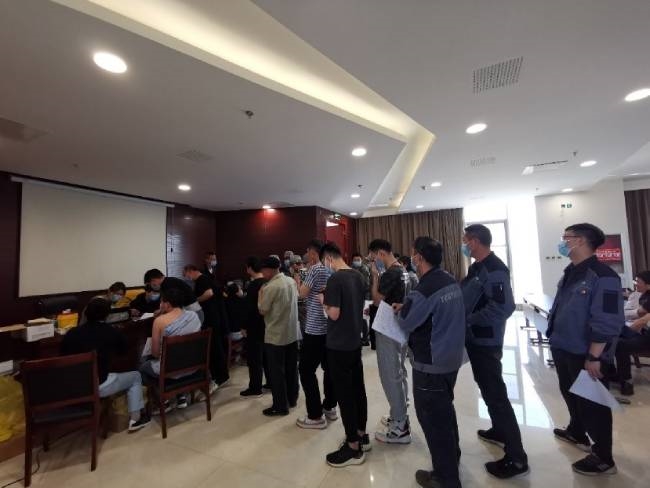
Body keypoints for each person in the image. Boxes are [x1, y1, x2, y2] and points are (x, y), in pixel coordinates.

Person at [546, 223, 623, 475]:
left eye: (565, 237)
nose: (562, 242)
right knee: (570, 393)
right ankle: (577, 431)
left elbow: (608, 320)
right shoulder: (571, 271)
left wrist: (594, 356)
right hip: (563, 346)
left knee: (593, 404)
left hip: (586, 353)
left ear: (579, 241)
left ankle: (603, 457)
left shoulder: (604, 276)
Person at [395, 237, 465, 488]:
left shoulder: (424, 289)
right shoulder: (448, 279)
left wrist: (401, 310)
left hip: (431, 364)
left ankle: (445, 478)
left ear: (420, 258)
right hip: (451, 358)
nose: (412, 258)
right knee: (444, 411)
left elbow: (407, 321)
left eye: (413, 254)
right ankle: (452, 457)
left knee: (433, 420)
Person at [460, 224, 528, 478]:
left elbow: (503, 307)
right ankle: (499, 430)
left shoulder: (495, 268)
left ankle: (517, 457)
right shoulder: (476, 267)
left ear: (475, 242)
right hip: (475, 338)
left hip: (486, 340)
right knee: (487, 388)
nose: (464, 245)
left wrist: (469, 320)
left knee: (496, 394)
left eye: (466, 240)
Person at [61, 298, 150, 432]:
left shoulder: (71, 333)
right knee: (136, 376)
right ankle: (136, 419)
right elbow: (123, 351)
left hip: (73, 385)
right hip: (99, 385)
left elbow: (63, 356)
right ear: (107, 315)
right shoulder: (111, 332)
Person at [321, 242, 369, 467]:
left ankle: (352, 446)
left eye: (324, 261)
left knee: (345, 395)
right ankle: (361, 434)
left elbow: (334, 314)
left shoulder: (335, 279)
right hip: (354, 342)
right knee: (358, 390)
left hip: (338, 344)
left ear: (328, 258)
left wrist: (323, 303)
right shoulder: (358, 276)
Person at [368, 238, 412, 444]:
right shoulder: (403, 270)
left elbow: (377, 299)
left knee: (390, 374)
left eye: (373, 257)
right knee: (399, 371)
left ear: (381, 254)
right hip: (400, 327)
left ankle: (400, 426)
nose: (372, 261)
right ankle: (399, 412)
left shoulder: (390, 273)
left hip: (388, 328)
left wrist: (375, 276)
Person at [294, 239, 338, 430]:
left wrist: (298, 279)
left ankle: (315, 415)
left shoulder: (315, 269)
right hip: (330, 326)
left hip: (314, 328)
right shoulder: (331, 269)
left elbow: (302, 294)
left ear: (313, 252)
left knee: (305, 370)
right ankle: (330, 407)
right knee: (329, 368)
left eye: (308, 251)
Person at [139, 288, 202, 412]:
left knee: (142, 368)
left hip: (171, 370)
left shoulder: (159, 321)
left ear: (167, 303)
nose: (160, 304)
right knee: (177, 357)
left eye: (161, 301)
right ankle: (180, 395)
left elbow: (155, 353)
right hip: (193, 366)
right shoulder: (193, 316)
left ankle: (163, 401)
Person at [258, 256, 300, 416]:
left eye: (263, 270)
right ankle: (292, 398)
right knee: (291, 368)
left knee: (277, 372)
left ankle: (280, 406)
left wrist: (260, 295)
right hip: (291, 332)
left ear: (269, 270)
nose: (262, 273)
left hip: (276, 335)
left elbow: (263, 309)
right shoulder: (290, 281)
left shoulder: (270, 287)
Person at [183, 265, 230, 396]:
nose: (186, 278)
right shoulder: (205, 279)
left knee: (215, 349)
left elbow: (209, 293)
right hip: (215, 317)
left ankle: (220, 377)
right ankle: (220, 375)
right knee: (215, 348)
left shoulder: (202, 279)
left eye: (186, 274)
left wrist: (195, 301)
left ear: (191, 271)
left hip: (212, 319)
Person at [240, 257, 269, 397]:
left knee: (254, 359)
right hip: (267, 325)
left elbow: (249, 310)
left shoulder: (253, 285)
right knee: (267, 357)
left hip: (254, 326)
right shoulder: (267, 282)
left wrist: (244, 326)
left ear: (250, 268)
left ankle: (255, 388)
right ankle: (270, 383)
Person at [614, 287, 650, 395]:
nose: (636, 284)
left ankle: (626, 380)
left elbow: (642, 320)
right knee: (617, 339)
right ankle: (619, 375)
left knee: (620, 344)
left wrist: (626, 331)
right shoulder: (644, 296)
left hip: (647, 337)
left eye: (638, 281)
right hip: (645, 333)